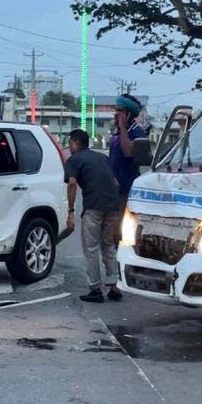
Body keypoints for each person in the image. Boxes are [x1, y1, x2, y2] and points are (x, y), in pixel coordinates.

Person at [65, 129, 123, 303]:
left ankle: (95, 289)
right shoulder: (102, 158)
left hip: (94, 207)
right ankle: (114, 287)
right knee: (108, 246)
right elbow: (115, 183)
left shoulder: (74, 159)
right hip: (113, 206)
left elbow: (72, 184)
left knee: (91, 248)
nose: (69, 147)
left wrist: (70, 212)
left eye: (70, 143)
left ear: (76, 143)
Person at [109, 94, 148, 209]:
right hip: (114, 188)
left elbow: (128, 152)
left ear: (129, 114)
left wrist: (123, 128)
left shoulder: (136, 132)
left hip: (127, 189)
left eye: (120, 111)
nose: (116, 113)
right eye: (116, 110)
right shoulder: (117, 131)